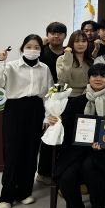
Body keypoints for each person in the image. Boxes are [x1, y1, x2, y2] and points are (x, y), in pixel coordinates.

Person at [52, 63, 105, 208]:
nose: (98, 79)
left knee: (90, 168)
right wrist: (56, 122)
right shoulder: (76, 102)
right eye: (94, 75)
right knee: (66, 174)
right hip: (77, 150)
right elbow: (67, 128)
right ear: (89, 78)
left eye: (103, 76)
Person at [0, 34, 53, 208]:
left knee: (31, 152)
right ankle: (6, 196)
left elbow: (49, 93)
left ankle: (24, 192)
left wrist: (47, 116)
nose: (33, 50)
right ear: (22, 48)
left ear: (41, 50)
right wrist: (1, 61)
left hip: (36, 110)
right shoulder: (11, 66)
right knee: (12, 152)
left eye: (37, 47)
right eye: (29, 46)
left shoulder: (44, 68)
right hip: (15, 109)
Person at [37, 21, 67, 183]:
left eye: (60, 33)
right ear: (47, 35)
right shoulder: (41, 51)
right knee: (47, 134)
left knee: (62, 135)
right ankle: (43, 173)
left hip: (65, 97)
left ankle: (60, 172)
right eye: (53, 33)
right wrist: (41, 44)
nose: (56, 36)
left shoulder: (68, 52)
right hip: (45, 97)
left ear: (65, 36)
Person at [57, 30, 95, 96]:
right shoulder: (62, 59)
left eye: (83, 41)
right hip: (65, 95)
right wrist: (68, 56)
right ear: (72, 43)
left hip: (86, 95)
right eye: (77, 41)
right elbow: (64, 79)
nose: (80, 44)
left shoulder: (91, 60)